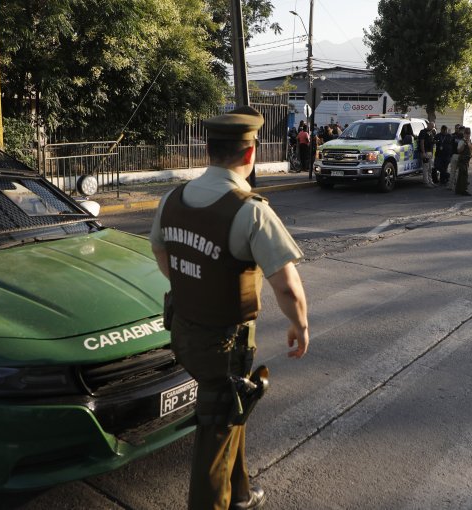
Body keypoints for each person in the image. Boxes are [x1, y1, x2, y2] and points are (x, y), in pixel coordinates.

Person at [150, 106, 309, 510]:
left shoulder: (172, 198)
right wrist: (300, 325)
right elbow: (287, 285)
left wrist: (195, 284)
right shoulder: (251, 210)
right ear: (250, 154)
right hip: (223, 341)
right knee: (218, 423)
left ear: (208, 149)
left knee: (232, 405)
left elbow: (162, 252)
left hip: (184, 330)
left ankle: (239, 492)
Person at [454, 127, 472, 196]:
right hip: (462, 160)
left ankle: (458, 190)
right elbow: (458, 150)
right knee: (464, 176)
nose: (467, 135)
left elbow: (470, 149)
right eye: (466, 133)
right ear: (464, 134)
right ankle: (464, 190)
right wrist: (464, 145)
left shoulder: (469, 141)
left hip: (467, 160)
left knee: (461, 175)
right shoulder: (462, 141)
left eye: (469, 133)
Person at [417, 121, 436, 187]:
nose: (432, 128)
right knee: (426, 167)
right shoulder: (423, 132)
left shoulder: (431, 133)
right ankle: (426, 182)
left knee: (430, 168)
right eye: (431, 126)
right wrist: (423, 152)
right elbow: (422, 142)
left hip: (430, 152)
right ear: (428, 125)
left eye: (433, 127)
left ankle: (430, 181)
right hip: (425, 152)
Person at [447, 125, 464, 190]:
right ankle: (457, 185)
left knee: (453, 171)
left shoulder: (454, 137)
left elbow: (450, 145)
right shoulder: (465, 138)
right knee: (459, 172)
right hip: (460, 156)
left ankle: (450, 186)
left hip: (454, 155)